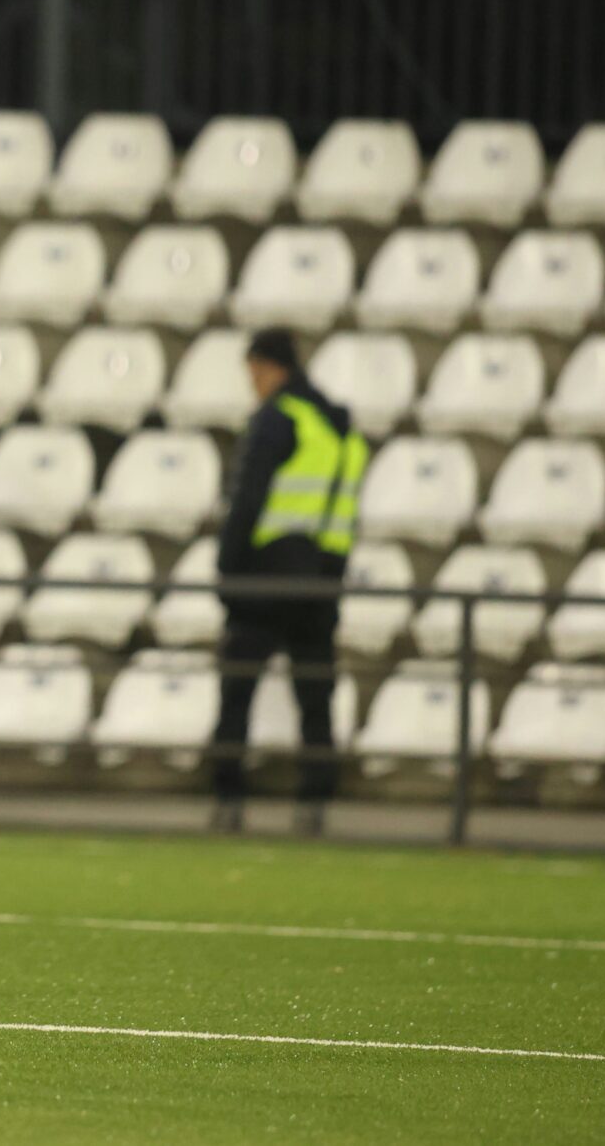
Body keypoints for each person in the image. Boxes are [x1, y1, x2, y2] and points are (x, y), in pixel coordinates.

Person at [208, 327, 369, 837]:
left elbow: (247, 499)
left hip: (266, 577)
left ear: (264, 365)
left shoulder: (279, 418)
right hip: (321, 581)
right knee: (315, 697)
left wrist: (227, 569)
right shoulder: (342, 430)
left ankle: (228, 799)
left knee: (237, 690)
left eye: (253, 372)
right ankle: (314, 803)